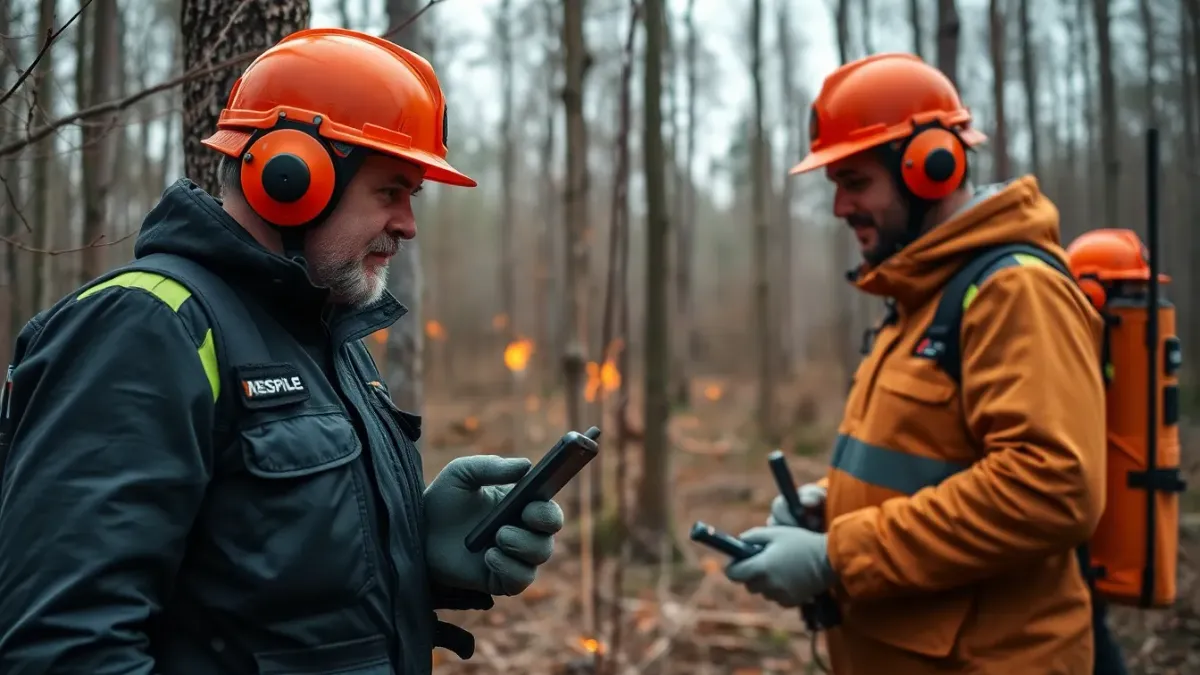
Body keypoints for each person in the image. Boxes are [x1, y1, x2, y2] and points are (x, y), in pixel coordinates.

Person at [0, 28, 571, 674]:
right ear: (292, 176)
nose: (409, 224)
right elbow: (63, 647)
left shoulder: (330, 342)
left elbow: (266, 610)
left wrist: (412, 549)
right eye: (391, 191)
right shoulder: (146, 328)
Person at [721, 53, 1120, 674]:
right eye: (836, 187)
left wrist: (836, 557)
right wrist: (828, 505)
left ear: (932, 168)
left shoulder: (1014, 292)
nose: (840, 208)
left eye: (856, 183)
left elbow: (1051, 485)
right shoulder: (920, 298)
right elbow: (930, 460)